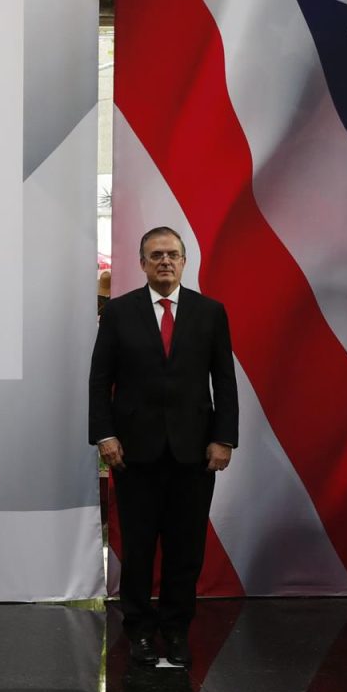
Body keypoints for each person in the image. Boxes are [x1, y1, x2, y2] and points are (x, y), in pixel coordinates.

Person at [89, 227, 237, 668]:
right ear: (142, 263)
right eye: (156, 255)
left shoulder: (210, 312)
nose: (165, 262)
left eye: (172, 254)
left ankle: (175, 631)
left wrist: (224, 437)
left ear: (184, 261)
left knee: (185, 548)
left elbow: (224, 380)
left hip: (195, 453)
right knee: (137, 547)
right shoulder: (118, 312)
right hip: (133, 452)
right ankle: (138, 631)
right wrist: (105, 435)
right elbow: (100, 380)